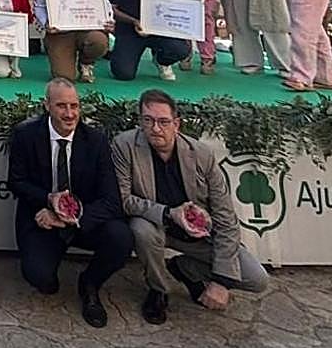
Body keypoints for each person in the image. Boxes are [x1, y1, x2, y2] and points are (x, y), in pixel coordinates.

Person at [113, 89, 269, 325]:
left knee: (257, 280)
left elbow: (226, 217)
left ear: (177, 124)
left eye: (163, 122)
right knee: (141, 229)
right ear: (140, 121)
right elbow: (123, 199)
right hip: (157, 226)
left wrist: (221, 281)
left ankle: (185, 269)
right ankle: (158, 290)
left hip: (199, 234)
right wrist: (168, 213)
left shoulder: (202, 154)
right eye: (148, 120)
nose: (155, 128)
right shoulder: (124, 145)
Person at [7, 78, 133, 328]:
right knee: (41, 280)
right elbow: (16, 182)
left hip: (84, 221)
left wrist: (71, 218)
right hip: (41, 218)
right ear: (47, 106)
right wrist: (47, 200)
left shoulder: (96, 141)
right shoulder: (25, 135)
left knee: (122, 238)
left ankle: (90, 283)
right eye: (61, 106)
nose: (69, 113)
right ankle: (49, 271)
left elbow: (111, 200)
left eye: (74, 106)